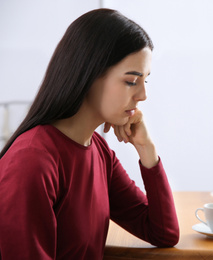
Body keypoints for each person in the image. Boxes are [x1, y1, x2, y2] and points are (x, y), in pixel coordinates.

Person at [0, 9, 179, 259]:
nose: (142, 95)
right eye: (131, 81)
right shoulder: (32, 160)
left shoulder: (98, 151)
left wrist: (147, 149)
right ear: (89, 75)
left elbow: (163, 232)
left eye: (145, 81)